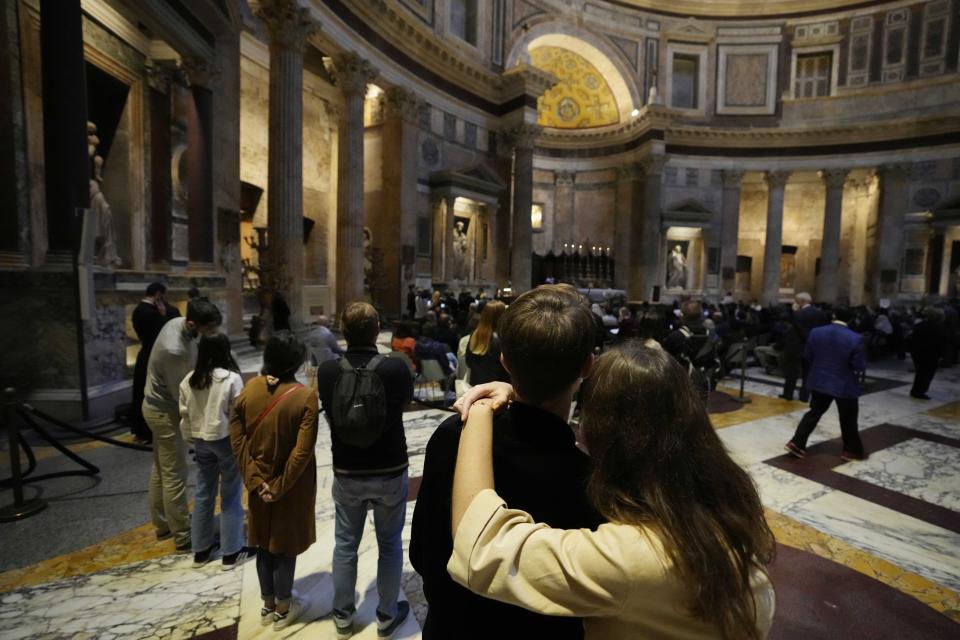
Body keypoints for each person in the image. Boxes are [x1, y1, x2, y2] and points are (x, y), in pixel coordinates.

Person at [448, 343, 775, 640]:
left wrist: (479, 412)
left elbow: (482, 547)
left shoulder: (634, 559)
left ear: (605, 432)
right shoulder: (722, 503)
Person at [410, 284, 605, 640]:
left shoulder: (453, 435)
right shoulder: (592, 481)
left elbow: (421, 554)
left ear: (504, 361)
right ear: (588, 366)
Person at [316, 302, 414, 639]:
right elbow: (405, 404)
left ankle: (343, 615)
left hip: (347, 470)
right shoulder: (396, 368)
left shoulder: (327, 371)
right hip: (389, 467)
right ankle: (387, 615)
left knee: (345, 544)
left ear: (343, 331)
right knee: (389, 544)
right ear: (377, 330)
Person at [231, 332, 318, 630]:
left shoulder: (249, 389)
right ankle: (283, 608)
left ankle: (267, 604)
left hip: (259, 487)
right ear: (296, 361)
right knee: (284, 546)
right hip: (289, 489)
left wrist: (256, 481)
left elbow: (237, 440)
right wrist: (279, 487)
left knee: (262, 543)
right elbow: (302, 452)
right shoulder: (305, 396)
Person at [143, 299, 222, 552]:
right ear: (192, 324)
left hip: (157, 406)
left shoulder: (179, 323)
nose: (209, 335)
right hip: (164, 411)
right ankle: (183, 534)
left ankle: (163, 524)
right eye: (207, 330)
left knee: (161, 467)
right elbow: (183, 394)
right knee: (175, 473)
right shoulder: (173, 350)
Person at [178, 334, 250, 569]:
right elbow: (239, 413)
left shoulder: (189, 379)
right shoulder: (231, 379)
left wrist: (191, 439)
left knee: (203, 492)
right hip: (225, 439)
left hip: (200, 440)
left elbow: (184, 415)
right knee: (230, 494)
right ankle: (232, 552)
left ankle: (201, 550)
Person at [785, 307, 867, 461]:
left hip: (820, 379)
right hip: (844, 383)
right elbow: (859, 366)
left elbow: (808, 355)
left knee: (814, 412)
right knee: (848, 418)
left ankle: (796, 443)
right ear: (852, 319)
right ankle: (851, 450)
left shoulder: (816, 332)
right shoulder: (856, 338)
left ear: (834, 315)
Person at [131, 283, 180, 444]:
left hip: (144, 355)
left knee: (140, 393)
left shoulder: (138, 310)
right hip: (156, 357)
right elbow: (166, 334)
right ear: (159, 294)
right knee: (156, 394)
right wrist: (163, 315)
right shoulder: (154, 314)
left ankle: (141, 430)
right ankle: (152, 430)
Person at [793, 292, 829, 402]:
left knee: (798, 371)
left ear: (801, 301)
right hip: (817, 346)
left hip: (801, 346)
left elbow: (800, 332)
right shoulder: (821, 313)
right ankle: (810, 394)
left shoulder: (798, 314)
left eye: (796, 301)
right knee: (810, 372)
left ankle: (803, 395)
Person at [464, 300, 509, 386]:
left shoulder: (474, 335)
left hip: (476, 386)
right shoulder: (502, 339)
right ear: (502, 316)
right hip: (498, 388)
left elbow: (468, 362)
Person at [908, 307, 945, 399]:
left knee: (920, 373)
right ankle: (920, 392)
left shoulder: (919, 325)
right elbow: (940, 343)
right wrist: (941, 355)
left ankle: (915, 391)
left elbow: (912, 339)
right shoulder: (938, 328)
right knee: (927, 374)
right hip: (931, 355)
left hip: (918, 354)